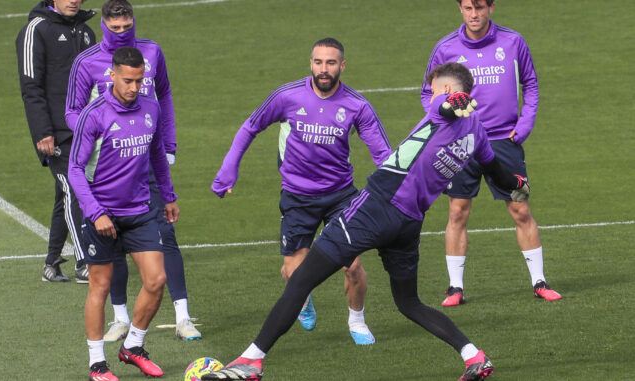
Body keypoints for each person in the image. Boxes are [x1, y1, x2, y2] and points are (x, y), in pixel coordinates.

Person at [202, 63, 516, 381]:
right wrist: (517, 184)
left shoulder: (441, 106)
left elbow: (444, 107)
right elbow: (498, 173)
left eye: (433, 88)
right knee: (408, 302)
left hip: (375, 207)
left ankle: (250, 362)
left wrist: (451, 101)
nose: (430, 94)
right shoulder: (478, 133)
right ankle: (473, 356)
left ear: (447, 89)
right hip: (409, 223)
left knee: (300, 281)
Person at [211, 37, 392, 345]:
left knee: (354, 265)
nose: (324, 69)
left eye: (331, 63)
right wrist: (230, 168)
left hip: (340, 195)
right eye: (319, 62)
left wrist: (395, 191)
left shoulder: (357, 105)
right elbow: (250, 126)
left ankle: (357, 320)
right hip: (297, 196)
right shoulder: (287, 96)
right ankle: (303, 299)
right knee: (295, 274)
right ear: (310, 63)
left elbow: (382, 154)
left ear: (342, 66)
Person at [66, 0, 201, 341]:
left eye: (128, 27)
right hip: (110, 161)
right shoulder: (86, 62)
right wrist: (101, 130)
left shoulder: (152, 53)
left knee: (165, 236)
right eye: (116, 29)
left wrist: (167, 143)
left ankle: (183, 316)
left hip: (146, 155)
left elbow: (163, 96)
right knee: (115, 241)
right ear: (104, 27)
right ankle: (120, 318)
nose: (123, 34)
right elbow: (73, 112)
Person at [421, 0, 562, 306]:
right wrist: (443, 122)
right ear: (460, 7)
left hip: (502, 140)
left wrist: (523, 127)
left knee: (520, 208)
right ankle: (455, 288)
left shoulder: (513, 41)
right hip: (460, 142)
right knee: (457, 211)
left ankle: (539, 282)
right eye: (468, 7)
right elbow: (427, 93)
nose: (475, 14)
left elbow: (532, 84)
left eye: (480, 7)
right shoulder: (444, 48)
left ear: (492, 7)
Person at [69, 46, 179, 381]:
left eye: (139, 81)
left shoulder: (151, 107)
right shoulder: (95, 114)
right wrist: (95, 212)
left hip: (141, 210)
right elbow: (75, 169)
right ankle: (97, 365)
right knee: (99, 287)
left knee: (157, 280)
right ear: (113, 75)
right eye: (128, 80)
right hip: (102, 215)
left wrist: (169, 196)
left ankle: (133, 346)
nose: (134, 87)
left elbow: (157, 154)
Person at [16, 0, 95, 283]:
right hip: (56, 132)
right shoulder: (35, 30)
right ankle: (85, 261)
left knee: (65, 195)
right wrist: (42, 132)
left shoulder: (86, 32)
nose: (74, 0)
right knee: (73, 189)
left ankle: (51, 264)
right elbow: (30, 87)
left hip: (87, 130)